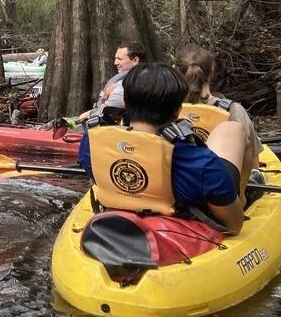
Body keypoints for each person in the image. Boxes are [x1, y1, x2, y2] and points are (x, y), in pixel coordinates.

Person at [77, 62, 247, 233]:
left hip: (118, 221)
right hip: (183, 233)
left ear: (124, 101)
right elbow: (234, 226)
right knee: (232, 129)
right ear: (178, 109)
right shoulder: (201, 163)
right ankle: (245, 196)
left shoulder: (90, 143)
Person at [175, 44, 261, 179]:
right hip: (225, 192)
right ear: (212, 71)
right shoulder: (233, 111)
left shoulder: (163, 111)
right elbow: (253, 165)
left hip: (181, 190)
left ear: (175, 70)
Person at [80, 40, 146, 121]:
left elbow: (110, 110)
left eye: (120, 59)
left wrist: (88, 114)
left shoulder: (130, 83)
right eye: (115, 58)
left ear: (135, 60)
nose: (115, 62)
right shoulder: (149, 77)